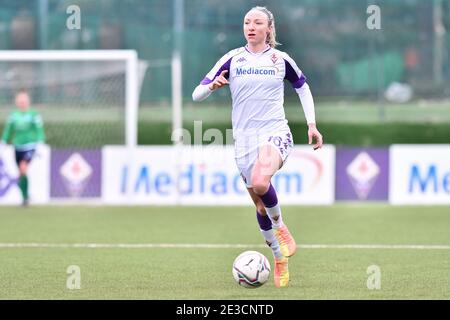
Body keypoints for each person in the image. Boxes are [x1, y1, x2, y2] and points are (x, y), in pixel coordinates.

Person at [192, 6, 323, 287]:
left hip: (275, 132)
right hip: (245, 141)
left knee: (261, 182)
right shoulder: (232, 59)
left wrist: (311, 124)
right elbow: (196, 93)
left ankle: (282, 228)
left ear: (268, 29)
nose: (251, 26)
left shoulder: (280, 59)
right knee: (261, 207)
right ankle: (279, 257)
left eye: (257, 22)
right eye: (247, 22)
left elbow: (302, 86)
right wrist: (213, 86)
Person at [0, 89, 46, 206]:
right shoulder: (13, 116)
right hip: (17, 147)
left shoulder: (34, 114)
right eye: (20, 100)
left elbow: (39, 130)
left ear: (28, 101)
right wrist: (3, 143)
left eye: (24, 99)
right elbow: (8, 131)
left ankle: (25, 197)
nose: (22, 102)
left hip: (30, 146)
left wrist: (40, 143)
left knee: (23, 168)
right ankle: (25, 197)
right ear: (17, 101)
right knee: (21, 173)